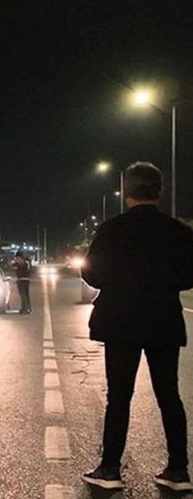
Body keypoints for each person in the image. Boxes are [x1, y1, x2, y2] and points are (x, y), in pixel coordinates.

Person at [81, 162, 193, 491]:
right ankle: (178, 470)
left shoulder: (112, 229)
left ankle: (110, 469)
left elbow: (91, 273)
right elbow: (190, 274)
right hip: (163, 320)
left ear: (127, 193)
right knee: (169, 395)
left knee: (119, 396)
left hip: (121, 322)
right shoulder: (177, 231)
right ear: (159, 192)